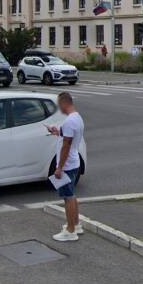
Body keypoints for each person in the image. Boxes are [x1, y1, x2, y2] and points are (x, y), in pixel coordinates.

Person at [48, 91, 85, 242]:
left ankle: (70, 231)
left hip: (67, 165)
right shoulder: (77, 118)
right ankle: (76, 225)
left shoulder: (70, 121)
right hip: (74, 162)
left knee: (67, 197)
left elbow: (66, 145)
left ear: (64, 103)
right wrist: (57, 131)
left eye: (59, 105)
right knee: (72, 195)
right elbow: (67, 136)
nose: (59, 108)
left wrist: (59, 168)